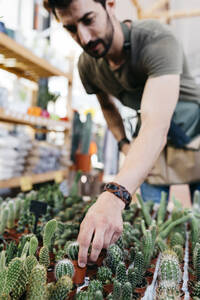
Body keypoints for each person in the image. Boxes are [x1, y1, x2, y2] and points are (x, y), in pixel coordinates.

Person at [47, 0, 200, 267]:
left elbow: (155, 124)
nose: (83, 37)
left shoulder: (156, 39)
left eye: (88, 20)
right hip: (153, 144)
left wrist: (115, 194)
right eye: (71, 28)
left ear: (110, 5)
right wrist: (123, 144)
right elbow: (107, 105)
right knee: (149, 224)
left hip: (194, 136)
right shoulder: (87, 66)